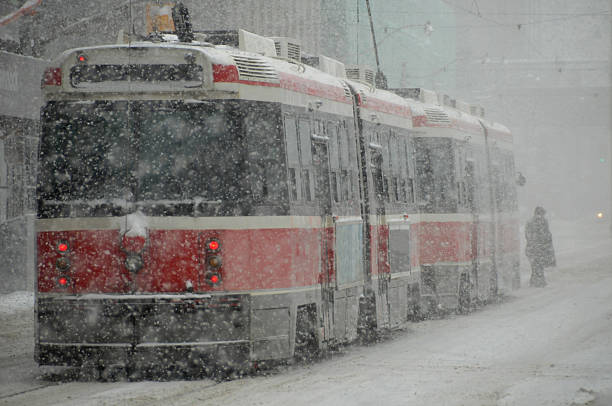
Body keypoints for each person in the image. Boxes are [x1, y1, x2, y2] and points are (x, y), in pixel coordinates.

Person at [525, 206, 556, 287]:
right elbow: (546, 235)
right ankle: (539, 281)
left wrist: (532, 244)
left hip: (532, 248)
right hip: (539, 248)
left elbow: (527, 235)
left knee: (535, 265)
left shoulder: (530, 222)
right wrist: (547, 247)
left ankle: (534, 281)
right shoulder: (543, 221)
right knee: (539, 265)